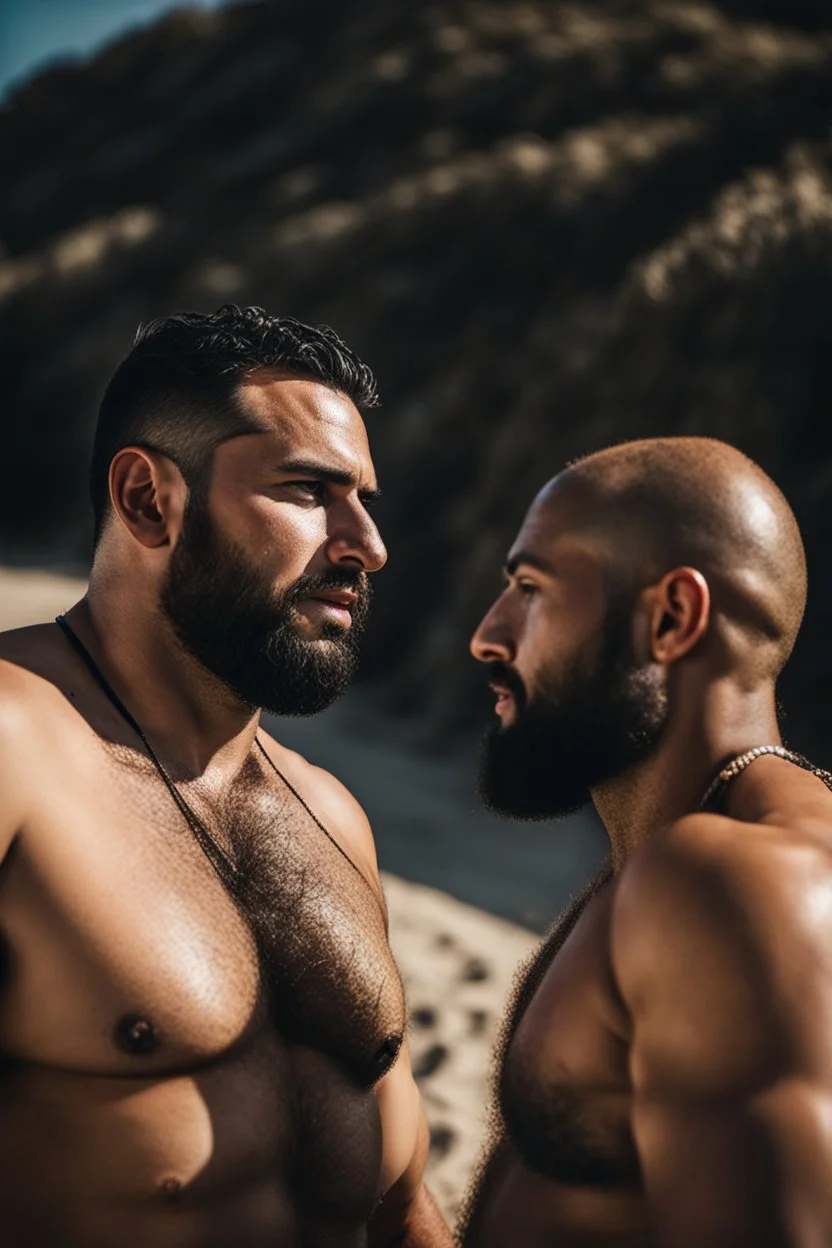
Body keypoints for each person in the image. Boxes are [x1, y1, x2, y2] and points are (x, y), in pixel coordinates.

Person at [0, 305, 452, 1247]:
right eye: (308, 491)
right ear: (147, 500)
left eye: (366, 500)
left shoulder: (331, 818)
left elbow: (403, 1214)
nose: (366, 544)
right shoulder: (16, 747)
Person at [462, 436, 832, 1247]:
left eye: (530, 588)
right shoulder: (671, 856)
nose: (488, 636)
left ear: (672, 618)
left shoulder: (727, 885)